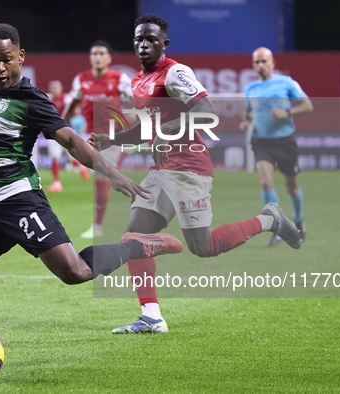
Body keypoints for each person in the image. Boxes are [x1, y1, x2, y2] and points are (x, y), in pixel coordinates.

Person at [0, 23, 185, 375]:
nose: (0, 69)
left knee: (75, 272)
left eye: (7, 60)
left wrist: (112, 174)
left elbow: (72, 141)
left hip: (22, 202)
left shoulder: (32, 100)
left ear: (20, 56)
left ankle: (138, 246)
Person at [91, 14, 303, 334]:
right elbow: (145, 127)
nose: (143, 44)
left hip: (190, 168)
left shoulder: (175, 72)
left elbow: (207, 113)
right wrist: (114, 139)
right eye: (138, 39)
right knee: (133, 237)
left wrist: (165, 129)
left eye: (150, 39)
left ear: (164, 43)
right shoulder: (137, 81)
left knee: (204, 247)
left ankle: (269, 219)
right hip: (161, 171)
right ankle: (151, 316)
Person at [239, 47, 313, 245]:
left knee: (292, 189)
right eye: (257, 62)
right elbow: (248, 110)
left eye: (264, 61)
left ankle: (298, 220)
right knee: (265, 182)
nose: (260, 65)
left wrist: (287, 112)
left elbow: (308, 105)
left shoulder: (286, 83)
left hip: (285, 141)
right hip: (261, 141)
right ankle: (278, 226)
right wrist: (246, 120)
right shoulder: (251, 88)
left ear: (273, 63)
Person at [62, 40, 133, 239]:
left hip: (114, 138)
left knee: (102, 179)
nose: (98, 57)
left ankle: (98, 226)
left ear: (109, 58)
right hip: (94, 139)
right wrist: (58, 126)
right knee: (106, 179)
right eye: (94, 53)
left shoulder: (119, 79)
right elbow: (73, 104)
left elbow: (139, 101)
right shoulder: (81, 79)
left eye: (102, 53)